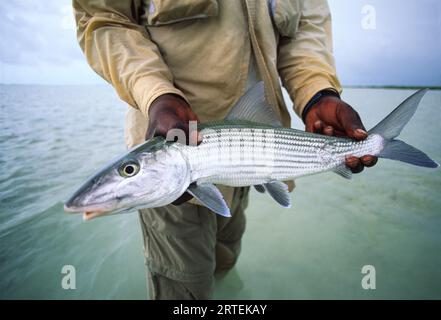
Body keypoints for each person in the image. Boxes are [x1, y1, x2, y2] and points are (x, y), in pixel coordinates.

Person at [73, 0, 377, 299]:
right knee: (185, 289)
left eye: (130, 169)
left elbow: (305, 34)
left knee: (225, 262)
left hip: (250, 166)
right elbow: (103, 17)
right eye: (130, 170)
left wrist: (317, 93)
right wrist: (157, 93)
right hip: (169, 146)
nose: (129, 171)